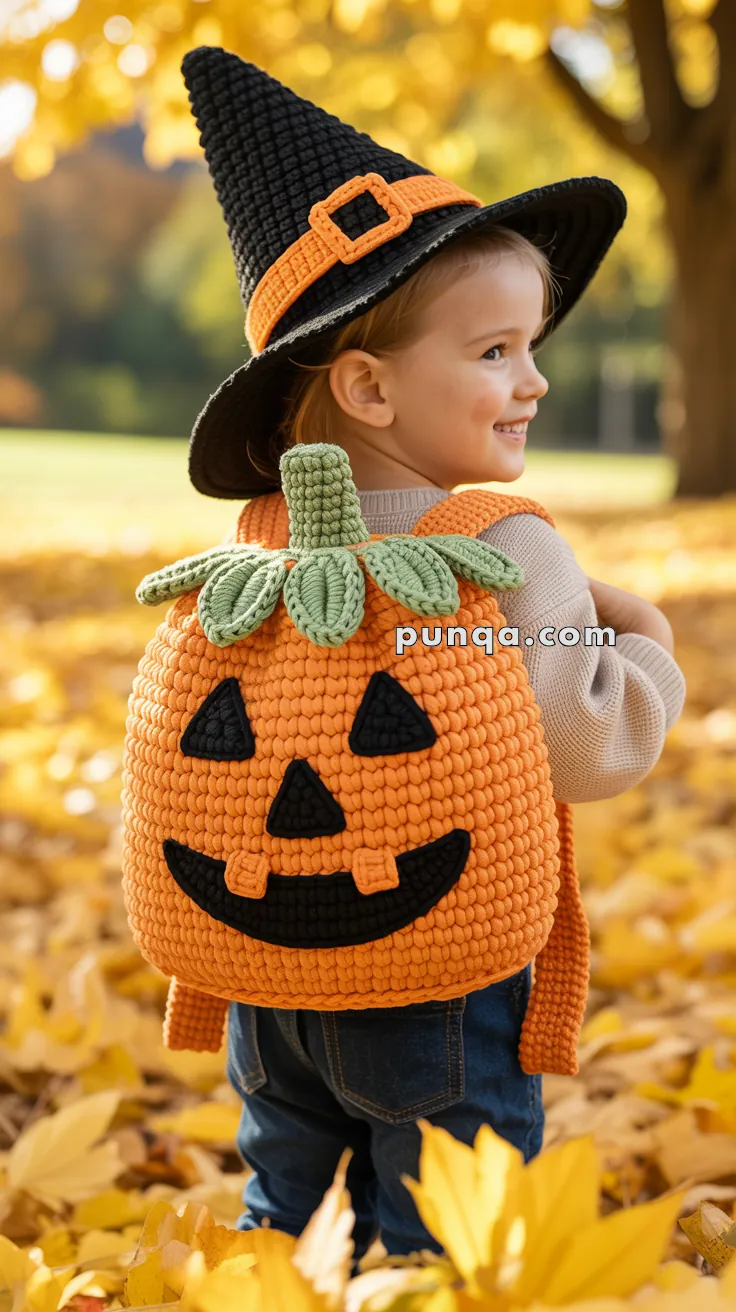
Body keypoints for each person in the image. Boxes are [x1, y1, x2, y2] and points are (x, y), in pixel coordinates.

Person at [167, 46, 687, 1260]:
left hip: (264, 978)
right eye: (496, 350)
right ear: (369, 387)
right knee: (445, 1248)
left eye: (531, 344)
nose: (534, 378)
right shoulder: (504, 551)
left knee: (280, 1222)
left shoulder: (254, 546)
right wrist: (647, 646)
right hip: (441, 977)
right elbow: (590, 740)